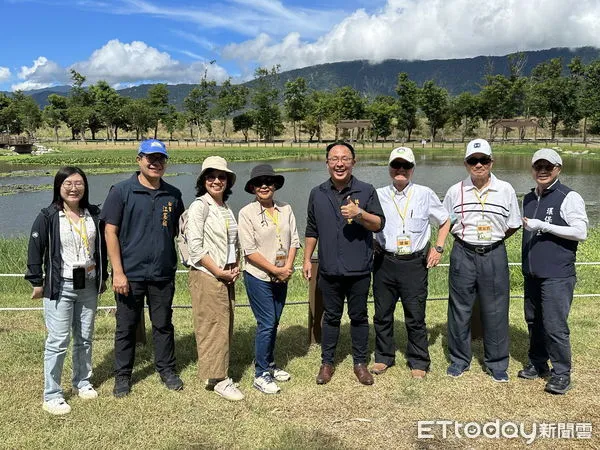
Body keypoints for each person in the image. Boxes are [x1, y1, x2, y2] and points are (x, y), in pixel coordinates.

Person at [101, 139, 185, 397]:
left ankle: (166, 369)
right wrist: (118, 271)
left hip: (162, 273)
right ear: (139, 159)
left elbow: (177, 231)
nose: (155, 163)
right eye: (150, 157)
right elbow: (110, 232)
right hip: (130, 274)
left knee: (163, 324)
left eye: (160, 158)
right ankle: (123, 375)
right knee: (125, 326)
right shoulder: (122, 191)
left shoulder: (173, 194)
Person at [26, 166, 108, 415]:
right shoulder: (48, 216)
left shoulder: (93, 214)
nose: (74, 188)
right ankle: (52, 394)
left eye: (79, 183)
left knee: (85, 337)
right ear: (59, 187)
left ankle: (82, 381)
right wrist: (37, 281)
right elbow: (35, 249)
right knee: (58, 340)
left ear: (85, 186)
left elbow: (104, 246)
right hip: (60, 285)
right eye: (68, 184)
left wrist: (104, 276)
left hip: (89, 284)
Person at [303, 141, 385, 386]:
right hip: (329, 269)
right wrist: (307, 259)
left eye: (345, 158)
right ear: (327, 162)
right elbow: (311, 229)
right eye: (334, 158)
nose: (340, 163)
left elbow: (379, 224)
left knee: (359, 316)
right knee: (330, 317)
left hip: (359, 268)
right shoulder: (317, 193)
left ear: (353, 162)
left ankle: (360, 363)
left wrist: (359, 214)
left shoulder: (366, 190)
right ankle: (327, 362)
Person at [443, 138, 521, 382]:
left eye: (483, 160)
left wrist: (493, 241)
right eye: (473, 160)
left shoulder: (506, 189)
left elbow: (514, 224)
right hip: (463, 252)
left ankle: (497, 363)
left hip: (494, 252)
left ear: (491, 161)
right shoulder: (455, 190)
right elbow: (446, 222)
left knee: (496, 308)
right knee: (459, 308)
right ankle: (459, 360)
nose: (479, 165)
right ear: (466, 164)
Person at [372, 147, 450, 379]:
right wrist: (371, 241)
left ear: (413, 169)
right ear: (389, 169)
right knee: (382, 313)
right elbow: (366, 222)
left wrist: (438, 248)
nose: (401, 170)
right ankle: (383, 357)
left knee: (415, 315)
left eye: (406, 166)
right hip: (384, 261)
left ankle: (419, 361)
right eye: (396, 165)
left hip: (414, 263)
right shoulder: (376, 194)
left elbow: (445, 220)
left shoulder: (425, 194)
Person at [519, 148, 588, 395]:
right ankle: (538, 364)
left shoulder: (568, 196)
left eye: (549, 166)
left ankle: (561, 373)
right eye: (538, 166)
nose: (543, 171)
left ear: (558, 168)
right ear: (532, 169)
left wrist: (545, 226)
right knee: (533, 321)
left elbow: (581, 232)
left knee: (554, 325)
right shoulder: (528, 198)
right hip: (532, 273)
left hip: (557, 274)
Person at [238, 164, 301, 394]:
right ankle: (261, 373)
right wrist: (275, 271)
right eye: (259, 183)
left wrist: (287, 268)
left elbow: (294, 240)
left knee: (274, 321)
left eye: (268, 181)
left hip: (282, 274)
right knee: (266, 322)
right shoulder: (246, 213)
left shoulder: (286, 209)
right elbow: (249, 251)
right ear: (253, 188)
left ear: (274, 185)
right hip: (259, 276)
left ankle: (270, 365)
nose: (264, 186)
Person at [186, 156, 244, 401]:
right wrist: (219, 271)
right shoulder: (200, 206)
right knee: (213, 326)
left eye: (222, 177)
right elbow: (196, 248)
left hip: (224, 274)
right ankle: (220, 379)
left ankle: (216, 373)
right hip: (208, 274)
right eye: (211, 176)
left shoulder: (224, 207)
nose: (217, 181)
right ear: (203, 180)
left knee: (223, 324)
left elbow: (231, 242)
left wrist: (235, 265)